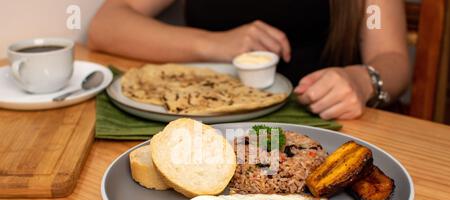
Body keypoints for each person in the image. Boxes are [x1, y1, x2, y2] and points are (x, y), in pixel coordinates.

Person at [88, 0, 410, 120]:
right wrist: (214, 44)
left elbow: (392, 56)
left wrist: (362, 80)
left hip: (320, 122)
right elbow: (106, 25)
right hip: (207, 122)